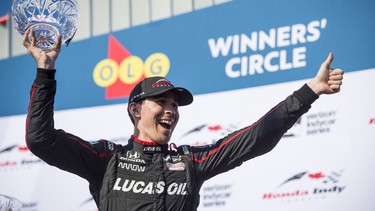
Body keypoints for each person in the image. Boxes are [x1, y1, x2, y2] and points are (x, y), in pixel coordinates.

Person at [24, 28, 343, 211]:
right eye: (161, 102)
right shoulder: (107, 160)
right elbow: (41, 140)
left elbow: (256, 138)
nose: (171, 110)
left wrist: (309, 91)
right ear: (136, 110)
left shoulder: (190, 161)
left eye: (174, 104)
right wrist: (46, 72)